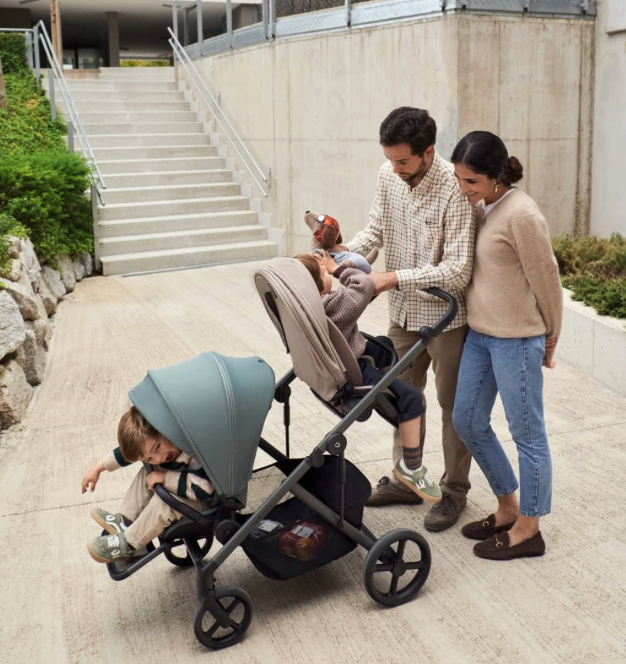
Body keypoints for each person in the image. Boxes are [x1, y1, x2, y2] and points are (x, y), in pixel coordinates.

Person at [341, 107, 476, 532]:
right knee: (401, 400)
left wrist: (392, 278)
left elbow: (458, 270)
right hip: (402, 313)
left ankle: (454, 491)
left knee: (454, 409)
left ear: (427, 152)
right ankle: (406, 480)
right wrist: (338, 259)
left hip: (447, 320)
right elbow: (375, 231)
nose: (395, 168)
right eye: (390, 159)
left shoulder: (455, 190)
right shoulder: (389, 175)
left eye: (402, 160)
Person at [450, 131, 562, 561]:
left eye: (471, 181)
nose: (464, 189)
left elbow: (547, 280)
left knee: (528, 435)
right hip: (480, 336)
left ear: (496, 177)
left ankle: (529, 529)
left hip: (517, 340)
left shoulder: (523, 214)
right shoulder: (483, 206)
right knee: (467, 420)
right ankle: (507, 508)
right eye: (459, 179)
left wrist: (551, 336)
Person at [295, 251, 441, 503]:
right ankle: (411, 466)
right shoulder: (333, 304)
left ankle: (383, 395)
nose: (328, 272)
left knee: (383, 344)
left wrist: (327, 261)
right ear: (316, 287)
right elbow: (364, 284)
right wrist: (337, 269)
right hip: (353, 373)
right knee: (413, 399)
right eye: (324, 273)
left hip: (335, 363)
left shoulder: (301, 308)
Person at [81, 406, 213, 563]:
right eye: (149, 458)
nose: (159, 457)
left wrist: (165, 477)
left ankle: (129, 543)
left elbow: (204, 488)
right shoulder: (159, 447)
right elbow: (125, 455)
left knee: (165, 502)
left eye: (157, 447)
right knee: (148, 472)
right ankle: (126, 521)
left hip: (205, 501)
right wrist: (98, 468)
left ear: (164, 429)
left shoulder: (191, 448)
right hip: (186, 488)